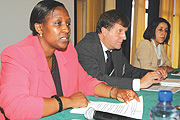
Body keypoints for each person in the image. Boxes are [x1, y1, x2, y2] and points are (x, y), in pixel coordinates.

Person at [0, 1, 140, 120]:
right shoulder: (17, 55)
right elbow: (14, 106)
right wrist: (67, 102)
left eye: (68, 24)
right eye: (58, 23)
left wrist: (115, 92)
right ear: (39, 28)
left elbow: (84, 82)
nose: (66, 29)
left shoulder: (67, 51)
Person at [76, 10, 167, 91]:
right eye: (119, 31)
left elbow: (128, 70)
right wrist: (138, 84)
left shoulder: (115, 48)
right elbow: (97, 79)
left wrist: (152, 73)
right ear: (104, 31)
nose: (124, 37)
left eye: (125, 32)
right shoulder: (87, 47)